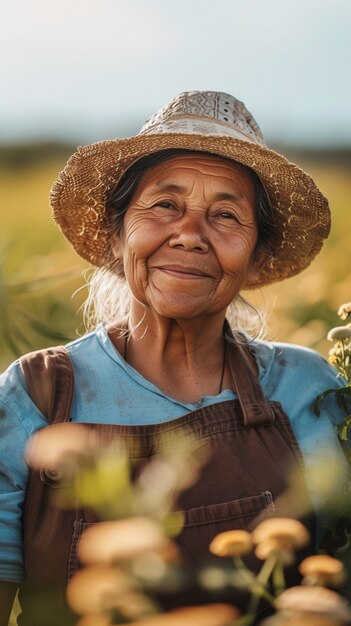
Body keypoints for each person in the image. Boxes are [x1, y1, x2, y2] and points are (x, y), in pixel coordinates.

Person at [0, 91, 350, 625]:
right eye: (165, 205)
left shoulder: (308, 388)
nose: (190, 235)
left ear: (254, 256)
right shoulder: (37, 394)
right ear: (118, 233)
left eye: (226, 215)